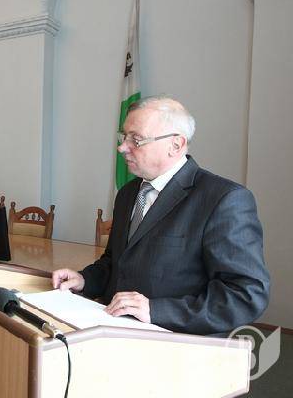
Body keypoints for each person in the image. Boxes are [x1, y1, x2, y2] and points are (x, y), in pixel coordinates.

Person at [52, 96, 270, 336]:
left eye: (136, 139)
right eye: (124, 137)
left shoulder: (223, 199)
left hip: (177, 344)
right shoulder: (127, 194)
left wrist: (157, 310)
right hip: (114, 333)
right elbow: (116, 262)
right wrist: (85, 280)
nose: (122, 147)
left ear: (176, 145)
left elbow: (246, 295)